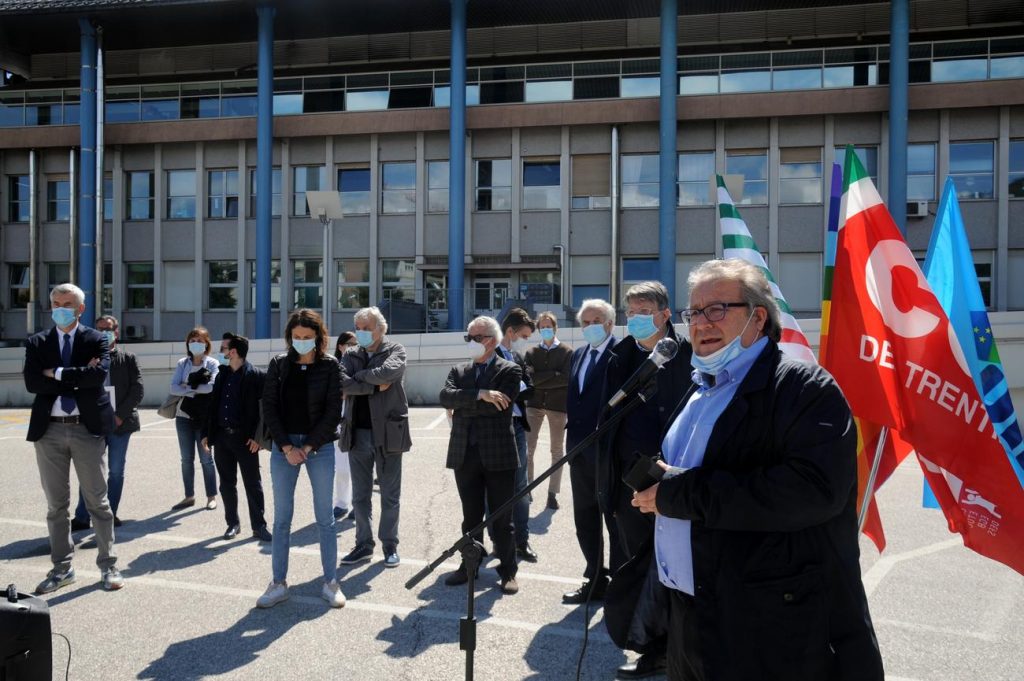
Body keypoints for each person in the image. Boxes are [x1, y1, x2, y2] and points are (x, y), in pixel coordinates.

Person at [631, 259, 884, 681]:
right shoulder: (700, 387)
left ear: (757, 317)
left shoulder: (804, 387)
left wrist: (678, 493)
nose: (700, 323)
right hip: (691, 612)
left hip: (767, 622)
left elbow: (813, 491)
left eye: (717, 310)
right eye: (693, 312)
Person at [600, 281, 693, 680]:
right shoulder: (618, 356)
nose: (636, 319)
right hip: (629, 486)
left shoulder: (690, 355)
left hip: (678, 484)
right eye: (631, 312)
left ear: (665, 314)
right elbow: (605, 423)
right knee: (636, 564)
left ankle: (683, 647)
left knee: (679, 568)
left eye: (644, 311)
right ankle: (650, 646)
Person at [24, 283, 124, 593]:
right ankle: (62, 569)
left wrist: (54, 373)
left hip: (86, 428)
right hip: (49, 430)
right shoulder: (37, 342)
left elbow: (97, 377)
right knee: (57, 506)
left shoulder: (97, 339)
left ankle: (109, 566)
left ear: (80, 309)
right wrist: (77, 376)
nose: (60, 308)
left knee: (98, 501)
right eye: (55, 302)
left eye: (67, 303)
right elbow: (31, 383)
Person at [257, 309, 345, 609]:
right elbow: (269, 407)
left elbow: (333, 411)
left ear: (319, 338)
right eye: (296, 338)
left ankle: (330, 582)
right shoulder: (279, 364)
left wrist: (306, 448)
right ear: (289, 337)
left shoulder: (330, 366)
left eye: (307, 338)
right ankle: (278, 583)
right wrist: (285, 447)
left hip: (318, 448)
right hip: (284, 448)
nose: (302, 342)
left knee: (325, 519)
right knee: (282, 519)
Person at [439, 316, 521, 595]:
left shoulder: (510, 369)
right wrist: (480, 394)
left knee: (502, 519)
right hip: (465, 454)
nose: (472, 342)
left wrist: (465, 402)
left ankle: (508, 570)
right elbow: (445, 396)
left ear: (493, 340)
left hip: (498, 455)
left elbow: (500, 407)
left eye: (478, 337)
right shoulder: (459, 370)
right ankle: (469, 565)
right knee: (470, 516)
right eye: (469, 337)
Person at [338, 306, 412, 569]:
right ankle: (363, 544)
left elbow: (388, 374)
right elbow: (341, 382)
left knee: (390, 495)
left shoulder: (396, 350)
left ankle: (390, 544)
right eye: (359, 328)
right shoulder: (350, 354)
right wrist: (370, 385)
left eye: (367, 328)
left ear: (381, 329)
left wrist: (358, 382)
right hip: (357, 433)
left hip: (389, 433)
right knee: (360, 495)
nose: (362, 333)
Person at [561, 299, 624, 605]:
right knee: (585, 518)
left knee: (615, 519)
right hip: (578, 450)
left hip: (609, 453)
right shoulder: (578, 355)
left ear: (610, 323)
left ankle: (622, 585)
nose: (589, 327)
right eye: (584, 322)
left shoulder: (624, 354)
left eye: (595, 321)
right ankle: (595, 578)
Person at [71, 315, 144, 530]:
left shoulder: (128, 358)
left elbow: (137, 390)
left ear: (117, 332)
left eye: (108, 329)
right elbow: (75, 386)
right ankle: (83, 516)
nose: (104, 332)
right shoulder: (86, 357)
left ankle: (109, 514)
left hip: (121, 424)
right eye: (100, 328)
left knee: (116, 471)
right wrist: (88, 369)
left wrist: (119, 415)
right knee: (89, 470)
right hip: (93, 423)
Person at [201, 333, 271, 543]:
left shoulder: (256, 375)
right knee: (226, 483)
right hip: (222, 438)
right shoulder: (221, 374)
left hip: (246, 440)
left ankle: (259, 526)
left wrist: (258, 438)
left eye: (223, 348)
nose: (220, 352)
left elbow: (265, 410)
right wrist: (207, 433)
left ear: (233, 352)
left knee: (253, 483)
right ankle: (233, 523)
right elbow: (212, 406)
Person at [495, 308, 537, 563]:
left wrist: (516, 389)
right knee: (495, 485)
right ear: (510, 331)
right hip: (496, 429)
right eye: (523, 335)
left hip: (518, 427)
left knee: (520, 486)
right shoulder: (489, 354)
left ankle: (522, 541)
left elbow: (530, 388)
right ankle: (497, 540)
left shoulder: (517, 356)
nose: (525, 340)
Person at [524, 311, 572, 511]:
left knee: (557, 451)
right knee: (528, 449)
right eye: (542, 326)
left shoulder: (567, 352)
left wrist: (543, 378)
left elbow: (566, 379)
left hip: (558, 406)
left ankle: (552, 494)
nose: (545, 329)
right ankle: (526, 489)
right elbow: (530, 381)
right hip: (534, 405)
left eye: (548, 326)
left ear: (555, 327)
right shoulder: (531, 353)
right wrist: (553, 374)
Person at [169, 327, 219, 511]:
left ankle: (211, 496)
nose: (195, 343)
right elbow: (173, 388)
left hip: (204, 417)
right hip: (183, 416)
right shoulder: (183, 363)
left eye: (199, 340)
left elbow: (212, 387)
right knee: (186, 459)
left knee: (206, 458)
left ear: (206, 343)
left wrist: (187, 387)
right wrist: (195, 388)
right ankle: (189, 496)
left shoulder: (212, 363)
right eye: (192, 340)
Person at [332, 332, 358, 521]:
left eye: (356, 344)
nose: (353, 347)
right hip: (338, 422)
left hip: (359, 420)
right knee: (341, 467)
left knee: (360, 466)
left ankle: (359, 504)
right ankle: (341, 503)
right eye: (350, 344)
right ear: (341, 346)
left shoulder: (362, 363)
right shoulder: (332, 366)